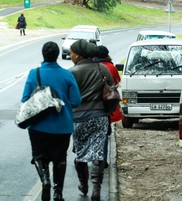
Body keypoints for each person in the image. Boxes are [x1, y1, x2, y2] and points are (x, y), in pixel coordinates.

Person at [20, 41, 81, 201]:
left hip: (38, 127)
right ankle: (58, 192)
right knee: (60, 159)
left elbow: (25, 99)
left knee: (40, 156)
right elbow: (76, 101)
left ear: (43, 55)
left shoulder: (35, 73)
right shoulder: (67, 74)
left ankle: (45, 180)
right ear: (58, 55)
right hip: (62, 127)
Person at [69, 39, 114, 201]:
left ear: (79, 55)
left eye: (72, 52)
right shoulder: (101, 68)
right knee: (98, 153)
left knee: (80, 153)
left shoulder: (71, 72)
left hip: (79, 118)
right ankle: (96, 189)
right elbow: (111, 87)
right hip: (99, 116)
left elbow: (67, 96)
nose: (70, 55)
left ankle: (84, 185)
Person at [94, 45, 123, 168]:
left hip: (93, 103)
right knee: (104, 133)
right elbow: (116, 81)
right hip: (106, 104)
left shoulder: (93, 66)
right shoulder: (111, 67)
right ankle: (103, 159)